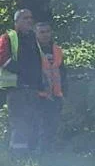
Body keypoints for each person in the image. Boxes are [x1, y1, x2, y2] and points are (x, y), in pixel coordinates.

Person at [0, 10, 44, 152]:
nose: (29, 21)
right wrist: (23, 71)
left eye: (31, 18)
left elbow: (39, 62)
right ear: (17, 21)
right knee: (19, 123)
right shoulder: (8, 37)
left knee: (33, 121)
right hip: (16, 88)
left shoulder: (33, 39)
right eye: (25, 18)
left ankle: (30, 155)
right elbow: (3, 59)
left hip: (32, 88)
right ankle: (18, 156)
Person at [33, 21, 62, 152]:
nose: (45, 35)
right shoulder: (31, 51)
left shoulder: (57, 50)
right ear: (36, 34)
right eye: (41, 32)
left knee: (52, 127)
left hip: (56, 96)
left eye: (47, 31)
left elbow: (62, 72)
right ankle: (38, 158)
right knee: (38, 127)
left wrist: (63, 92)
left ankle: (50, 156)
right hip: (38, 95)